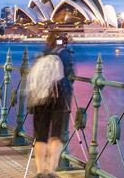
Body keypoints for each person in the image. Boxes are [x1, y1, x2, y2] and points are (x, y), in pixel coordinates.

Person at [29, 31, 73, 178]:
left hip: (39, 97)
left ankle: (40, 171)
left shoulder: (40, 55)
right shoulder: (64, 54)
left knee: (40, 135)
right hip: (58, 97)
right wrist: (69, 46)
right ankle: (51, 170)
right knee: (56, 134)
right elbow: (69, 69)